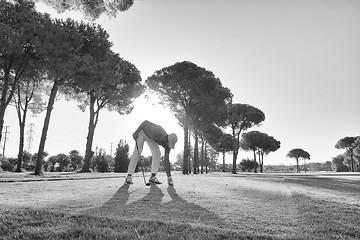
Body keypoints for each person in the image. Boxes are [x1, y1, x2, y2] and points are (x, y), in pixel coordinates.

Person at [125, 120, 178, 186]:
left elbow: (166, 161)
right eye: (168, 144)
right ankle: (129, 176)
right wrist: (136, 132)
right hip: (143, 133)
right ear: (166, 139)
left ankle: (153, 177)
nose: (168, 146)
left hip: (151, 138)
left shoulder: (167, 147)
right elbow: (146, 122)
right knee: (137, 152)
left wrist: (169, 177)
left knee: (157, 153)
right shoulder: (159, 130)